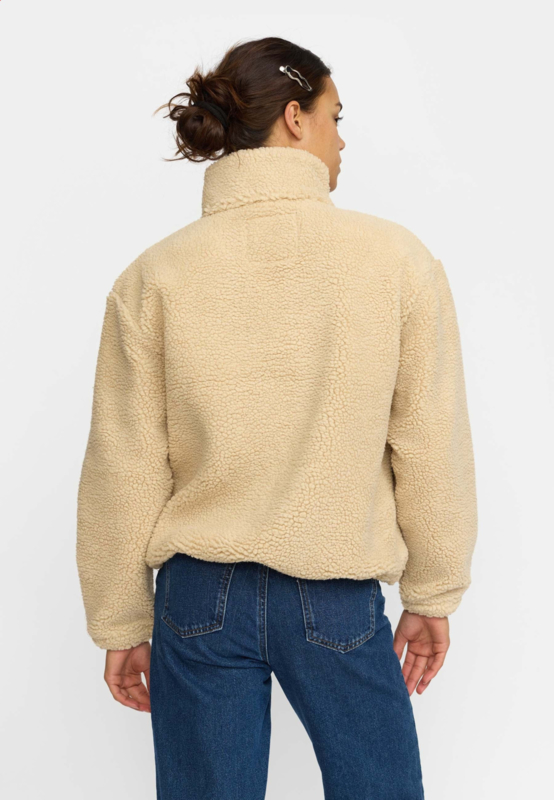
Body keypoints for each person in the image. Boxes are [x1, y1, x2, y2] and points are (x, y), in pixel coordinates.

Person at [76, 36, 478, 800]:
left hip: (198, 599)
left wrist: (120, 620)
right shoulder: (396, 261)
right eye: (334, 116)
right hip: (335, 594)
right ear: (295, 118)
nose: (342, 139)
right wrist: (433, 593)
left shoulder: (153, 276)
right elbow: (431, 445)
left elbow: (123, 465)